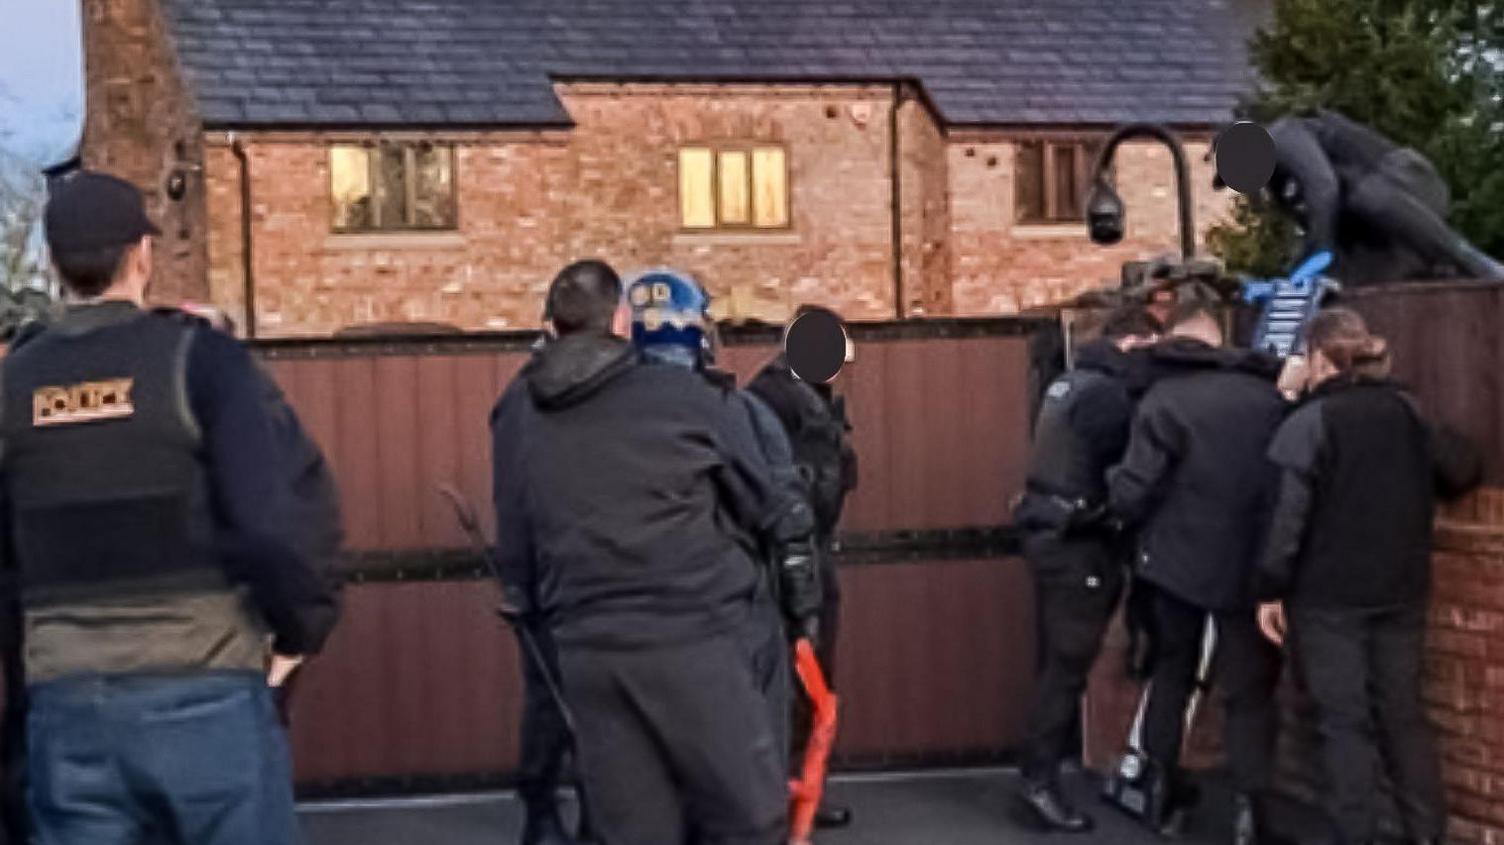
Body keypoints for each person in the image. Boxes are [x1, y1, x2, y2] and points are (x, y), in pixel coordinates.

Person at [1, 171, 339, 844]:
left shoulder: (13, 385)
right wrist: (302, 628)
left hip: (68, 707)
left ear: (51, 261)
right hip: (205, 693)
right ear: (142, 256)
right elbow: (267, 522)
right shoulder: (200, 362)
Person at [490, 259, 797, 845]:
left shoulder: (520, 413)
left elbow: (516, 533)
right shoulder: (687, 398)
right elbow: (763, 504)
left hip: (586, 650)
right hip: (694, 637)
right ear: (623, 320)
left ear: (551, 326)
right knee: (750, 816)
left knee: (635, 830)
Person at [1255, 308, 1480, 845]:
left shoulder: (1310, 424)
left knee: (1343, 723)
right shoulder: (1407, 412)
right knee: (1403, 717)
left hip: (1328, 598)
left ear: (1318, 359)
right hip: (1401, 589)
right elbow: (1461, 469)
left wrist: (1269, 588)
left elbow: (1285, 519)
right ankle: (1426, 833)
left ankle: (1353, 834)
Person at [624, 269, 823, 772]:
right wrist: (803, 616)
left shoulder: (593, 421)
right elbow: (783, 515)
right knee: (749, 770)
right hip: (725, 620)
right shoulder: (735, 413)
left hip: (625, 629)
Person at [1107, 302, 1288, 844]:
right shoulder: (1267, 398)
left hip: (1176, 562)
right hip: (1248, 563)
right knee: (1249, 694)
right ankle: (1249, 812)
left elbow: (1133, 490)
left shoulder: (1162, 400)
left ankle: (1159, 798)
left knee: (1173, 676)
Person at [1011, 305, 1161, 833]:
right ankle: (1038, 783)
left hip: (1049, 530)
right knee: (1067, 667)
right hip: (1077, 542)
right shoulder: (1109, 396)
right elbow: (1125, 474)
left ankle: (1037, 777)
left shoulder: (1071, 383)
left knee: (1059, 663)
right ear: (1132, 343)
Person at [745, 304, 859, 831]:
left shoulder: (787, 399)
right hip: (792, 562)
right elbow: (804, 492)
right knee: (798, 680)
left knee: (808, 683)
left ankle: (801, 787)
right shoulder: (782, 404)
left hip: (801, 556)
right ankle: (786, 792)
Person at [1234, 109, 1504, 284]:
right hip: (1385, 231)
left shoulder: (1283, 135)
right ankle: (1432, 269)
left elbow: (1324, 187)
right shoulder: (1278, 184)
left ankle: (1471, 259)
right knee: (1352, 277)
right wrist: (1295, 276)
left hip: (1409, 185)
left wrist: (1319, 259)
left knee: (1359, 194)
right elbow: (1314, 226)